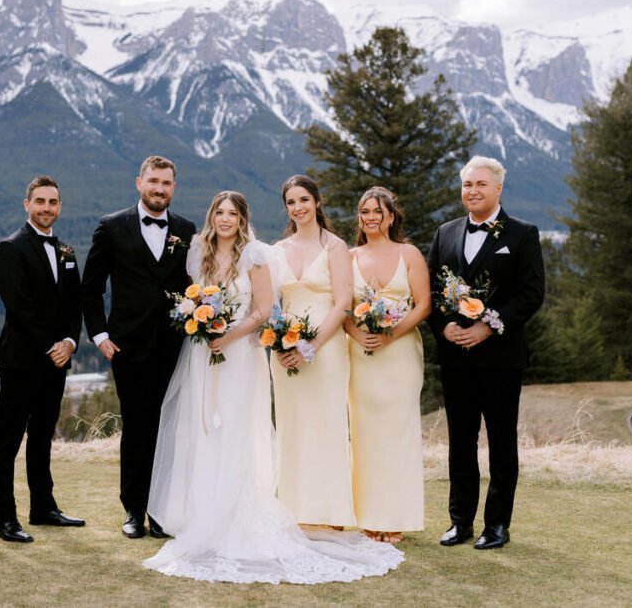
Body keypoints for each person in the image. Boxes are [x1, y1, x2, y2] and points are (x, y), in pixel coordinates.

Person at [145, 191, 403, 583]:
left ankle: (240, 511)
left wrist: (228, 334)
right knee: (202, 429)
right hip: (204, 353)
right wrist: (198, 322)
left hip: (240, 356)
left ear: (243, 218)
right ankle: (204, 513)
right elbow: (193, 297)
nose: (225, 219)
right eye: (220, 212)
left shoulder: (258, 255)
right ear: (211, 216)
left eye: (233, 213)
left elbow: (263, 310)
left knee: (236, 428)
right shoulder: (198, 251)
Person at [427, 156, 545, 550]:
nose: (472, 191)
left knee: (500, 443)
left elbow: (531, 294)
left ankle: (496, 525)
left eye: (480, 184)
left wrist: (487, 327)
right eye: (466, 185)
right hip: (455, 358)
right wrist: (445, 326)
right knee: (460, 442)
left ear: (497, 189)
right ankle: (459, 522)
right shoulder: (445, 233)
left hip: (500, 360)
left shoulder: (522, 234)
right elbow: (430, 290)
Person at [81, 155, 196, 539]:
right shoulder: (111, 227)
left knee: (169, 430)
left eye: (166, 183)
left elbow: (194, 287)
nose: (159, 189)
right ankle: (133, 510)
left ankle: (162, 511)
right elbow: (91, 288)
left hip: (174, 347)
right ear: (139, 183)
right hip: (127, 348)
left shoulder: (187, 229)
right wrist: (100, 336)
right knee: (136, 429)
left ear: (173, 188)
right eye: (153, 182)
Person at [0, 176, 85, 543]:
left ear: (59, 207)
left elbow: (75, 304)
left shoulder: (67, 251)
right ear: (26, 204)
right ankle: (5, 518)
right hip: (22, 360)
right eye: (40, 201)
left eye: (53, 202)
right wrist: (52, 344)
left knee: (42, 437)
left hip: (57, 361)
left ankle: (43, 507)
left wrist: (70, 343)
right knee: (7, 440)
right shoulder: (10, 248)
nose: (47, 207)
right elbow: (20, 305)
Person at [343, 187, 430, 543]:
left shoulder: (408, 254)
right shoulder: (348, 256)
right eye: (365, 211)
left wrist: (391, 334)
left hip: (399, 355)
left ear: (391, 216)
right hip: (361, 355)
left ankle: (395, 516)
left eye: (378, 211)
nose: (371, 217)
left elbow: (423, 305)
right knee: (364, 436)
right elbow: (343, 308)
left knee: (398, 434)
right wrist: (357, 333)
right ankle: (367, 516)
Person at [270, 175, 355, 527]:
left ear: (317, 202)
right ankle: (294, 507)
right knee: (292, 425)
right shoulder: (277, 250)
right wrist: (277, 343)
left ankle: (332, 508)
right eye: (291, 202)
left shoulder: (334, 246)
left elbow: (344, 303)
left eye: (304, 199)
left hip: (327, 348)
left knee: (328, 423)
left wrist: (312, 344)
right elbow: (271, 305)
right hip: (287, 352)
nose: (298, 207)